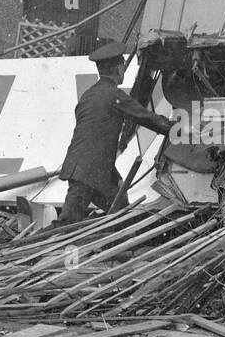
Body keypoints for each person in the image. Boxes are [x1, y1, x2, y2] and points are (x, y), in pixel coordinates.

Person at [56, 42, 175, 225]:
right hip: (90, 169)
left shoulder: (89, 95)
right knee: (67, 222)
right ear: (119, 68)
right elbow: (145, 117)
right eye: (121, 67)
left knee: (120, 209)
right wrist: (176, 129)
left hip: (91, 167)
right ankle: (43, 250)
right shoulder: (113, 95)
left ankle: (118, 249)